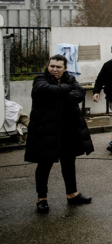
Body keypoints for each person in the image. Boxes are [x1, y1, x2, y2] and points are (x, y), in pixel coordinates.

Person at [25, 54, 94, 214]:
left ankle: (72, 194)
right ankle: (41, 199)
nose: (54, 69)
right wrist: (67, 90)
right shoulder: (40, 79)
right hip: (46, 131)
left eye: (58, 67)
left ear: (65, 68)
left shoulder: (69, 79)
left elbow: (81, 93)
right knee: (44, 164)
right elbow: (44, 90)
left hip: (67, 130)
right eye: (52, 66)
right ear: (48, 66)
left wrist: (62, 92)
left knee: (69, 162)